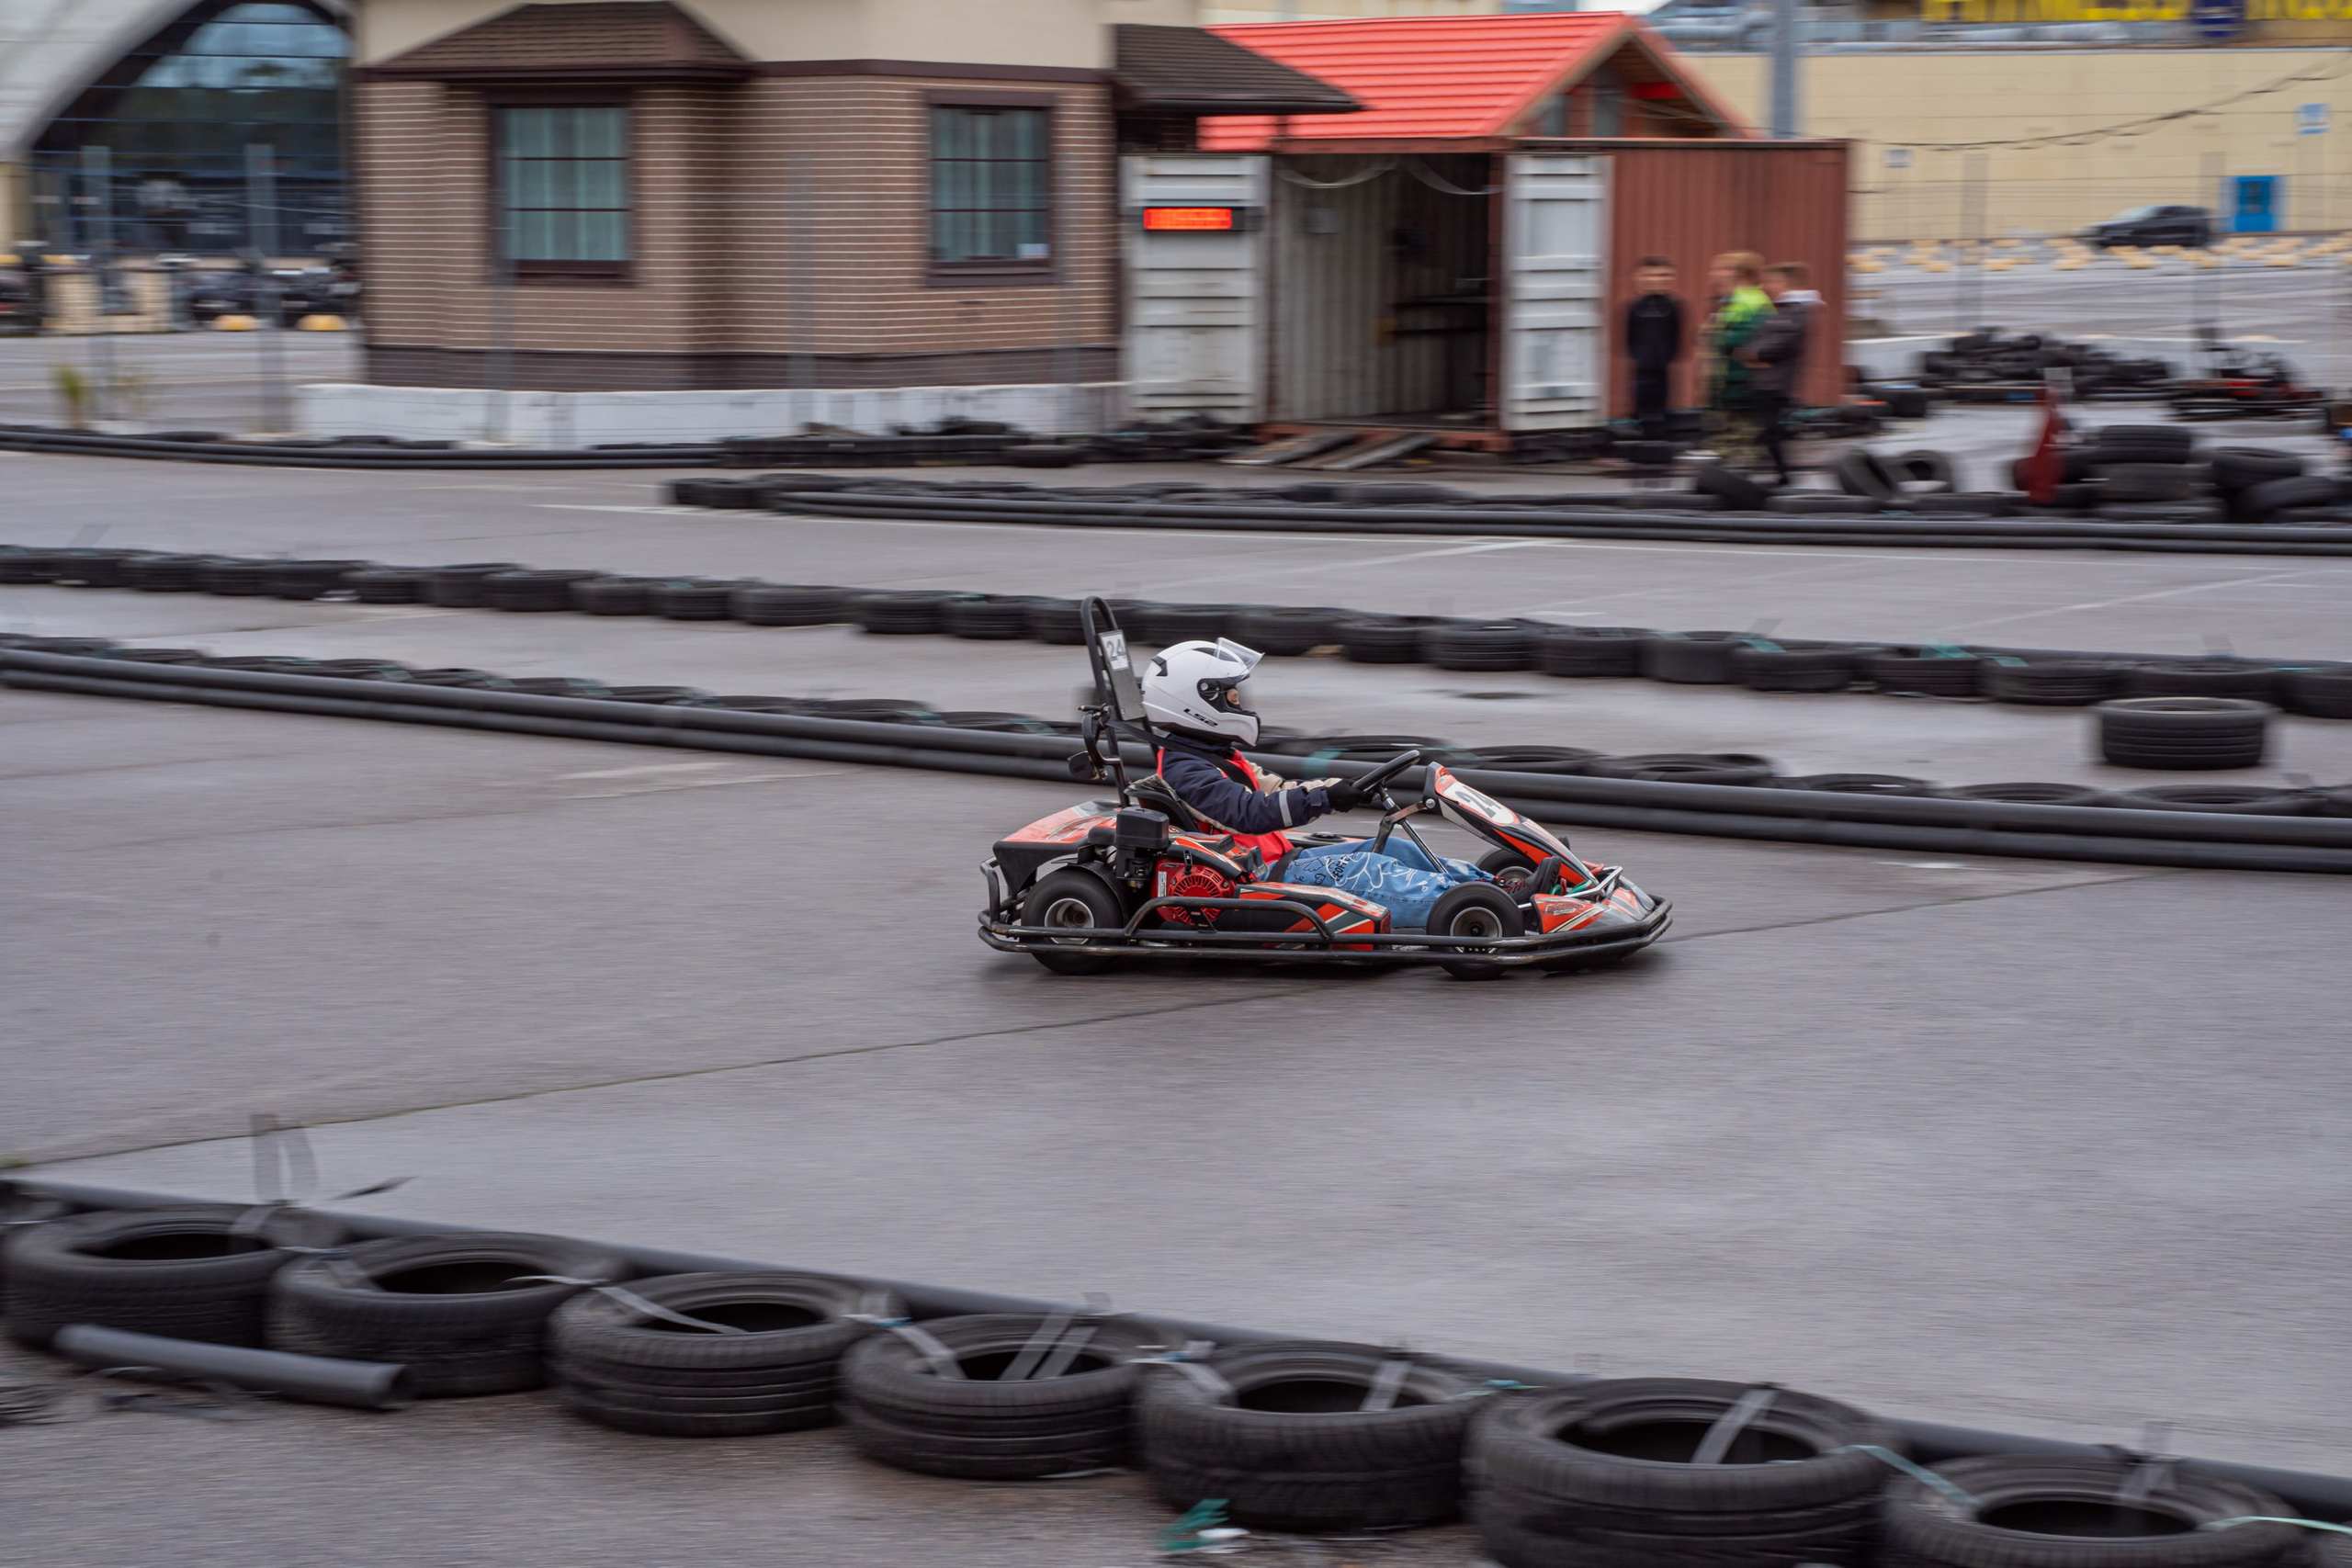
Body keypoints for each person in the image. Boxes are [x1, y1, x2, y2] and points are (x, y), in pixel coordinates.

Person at [1139, 638, 1490, 929]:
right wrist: (1323, 799)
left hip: (1280, 861)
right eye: (1230, 697)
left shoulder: (1212, 755)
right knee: (1368, 871)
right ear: (1196, 703)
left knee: (1391, 849)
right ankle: (1475, 906)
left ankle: (1491, 887)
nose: (1239, 704)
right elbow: (1247, 813)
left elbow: (1276, 790)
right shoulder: (1185, 770)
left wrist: (1341, 788)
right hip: (1258, 880)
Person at [1740, 261, 1821, 485]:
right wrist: (1752, 354)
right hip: (1766, 381)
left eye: (1771, 281)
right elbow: (1758, 342)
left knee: (1769, 429)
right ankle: (1770, 472)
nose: (1766, 286)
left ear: (1785, 284)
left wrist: (1752, 355)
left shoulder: (1792, 313)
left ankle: (1777, 474)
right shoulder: (1780, 311)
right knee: (1768, 429)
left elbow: (1776, 346)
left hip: (1775, 382)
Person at [1702, 251, 1773, 465]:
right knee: (1726, 451)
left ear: (1739, 273)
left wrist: (1713, 334)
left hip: (1743, 385)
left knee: (1743, 453)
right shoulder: (1730, 301)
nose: (1713, 274)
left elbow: (1742, 340)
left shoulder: (1750, 302)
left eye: (1720, 268)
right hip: (1728, 384)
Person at [1623, 256, 1684, 444]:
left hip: (1662, 369)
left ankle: (1658, 442)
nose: (1655, 280)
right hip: (1642, 369)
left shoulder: (1672, 306)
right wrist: (1640, 357)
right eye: (1650, 276)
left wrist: (1666, 358)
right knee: (1642, 407)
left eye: (1661, 276)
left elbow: (1676, 338)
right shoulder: (1635, 307)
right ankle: (1643, 439)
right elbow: (1630, 338)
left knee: (1661, 409)